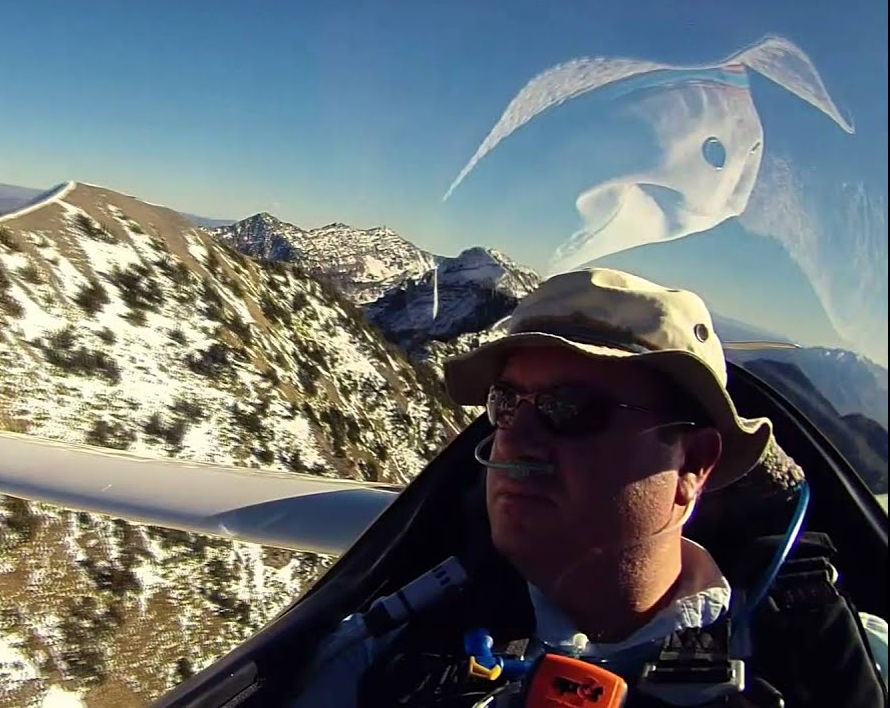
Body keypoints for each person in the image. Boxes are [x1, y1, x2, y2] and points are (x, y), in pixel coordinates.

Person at [287, 267, 887, 707]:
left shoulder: (829, 658)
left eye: (568, 408)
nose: (514, 440)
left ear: (693, 465)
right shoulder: (379, 658)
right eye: (505, 403)